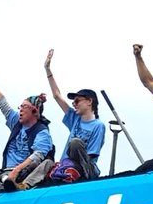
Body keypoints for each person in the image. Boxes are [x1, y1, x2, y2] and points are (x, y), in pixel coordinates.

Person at [0, 69, 55, 192]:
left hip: (24, 170)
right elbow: (2, 103)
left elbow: (37, 156)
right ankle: (4, 184)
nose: (20, 110)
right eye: (20, 107)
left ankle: (22, 185)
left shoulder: (42, 132)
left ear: (35, 111)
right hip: (7, 171)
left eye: (24, 107)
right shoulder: (16, 122)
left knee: (47, 162)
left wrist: (16, 170)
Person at [39, 48, 106, 184]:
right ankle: (25, 185)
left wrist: (73, 163)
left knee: (75, 142)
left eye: (77, 101)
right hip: (67, 165)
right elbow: (57, 96)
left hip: (86, 168)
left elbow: (92, 154)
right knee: (46, 163)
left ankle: (70, 170)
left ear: (89, 101)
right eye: (73, 102)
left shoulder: (98, 126)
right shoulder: (75, 119)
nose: (74, 104)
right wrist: (47, 69)